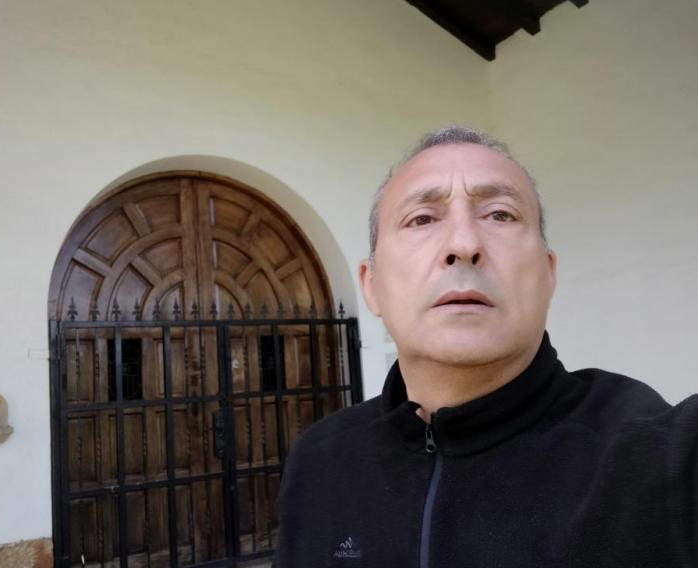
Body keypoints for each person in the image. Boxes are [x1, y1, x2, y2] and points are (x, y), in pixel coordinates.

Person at [273, 125, 698, 567]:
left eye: (500, 215)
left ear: (548, 274)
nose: (464, 245)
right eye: (422, 218)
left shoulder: (657, 457)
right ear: (371, 285)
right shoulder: (319, 463)